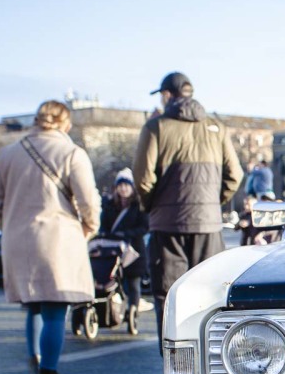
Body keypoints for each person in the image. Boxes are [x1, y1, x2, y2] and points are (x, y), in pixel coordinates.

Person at [0, 100, 101, 374]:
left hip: (18, 241)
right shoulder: (72, 153)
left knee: (33, 306)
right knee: (54, 310)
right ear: (65, 124)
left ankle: (35, 369)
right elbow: (89, 202)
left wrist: (11, 226)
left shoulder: (8, 154)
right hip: (58, 239)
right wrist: (87, 229)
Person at [134, 72, 242, 346]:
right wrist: (211, 204)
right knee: (209, 297)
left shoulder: (156, 127)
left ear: (168, 95)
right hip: (208, 225)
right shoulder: (216, 127)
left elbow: (143, 178)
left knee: (169, 298)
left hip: (167, 227)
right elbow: (235, 175)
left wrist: (151, 206)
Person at [99, 168, 149, 332]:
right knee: (114, 283)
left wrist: (126, 233)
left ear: (132, 188)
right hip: (113, 250)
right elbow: (104, 226)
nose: (123, 189)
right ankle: (115, 309)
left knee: (134, 284)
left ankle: (132, 309)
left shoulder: (139, 206)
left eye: (126, 185)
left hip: (134, 252)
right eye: (120, 185)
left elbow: (144, 227)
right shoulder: (109, 205)